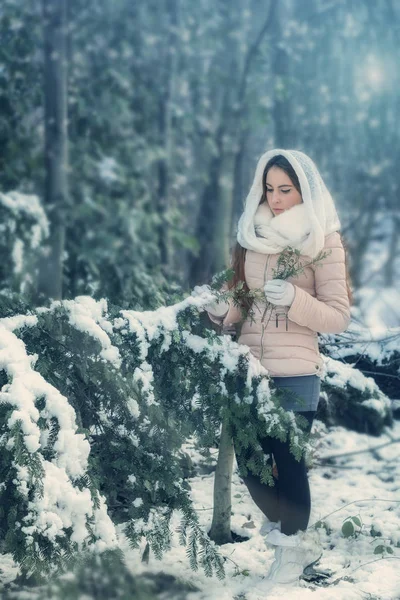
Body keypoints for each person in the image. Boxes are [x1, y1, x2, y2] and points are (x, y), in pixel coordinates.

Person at [203, 148, 352, 586]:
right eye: (269, 189)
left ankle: (291, 552)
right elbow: (246, 299)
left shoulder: (323, 240)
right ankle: (295, 542)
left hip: (298, 370)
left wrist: (295, 299)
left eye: (285, 189)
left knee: (287, 463)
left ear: (304, 189)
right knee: (251, 463)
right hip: (251, 367)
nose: (276, 198)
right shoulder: (254, 233)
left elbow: (338, 315)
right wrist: (223, 310)